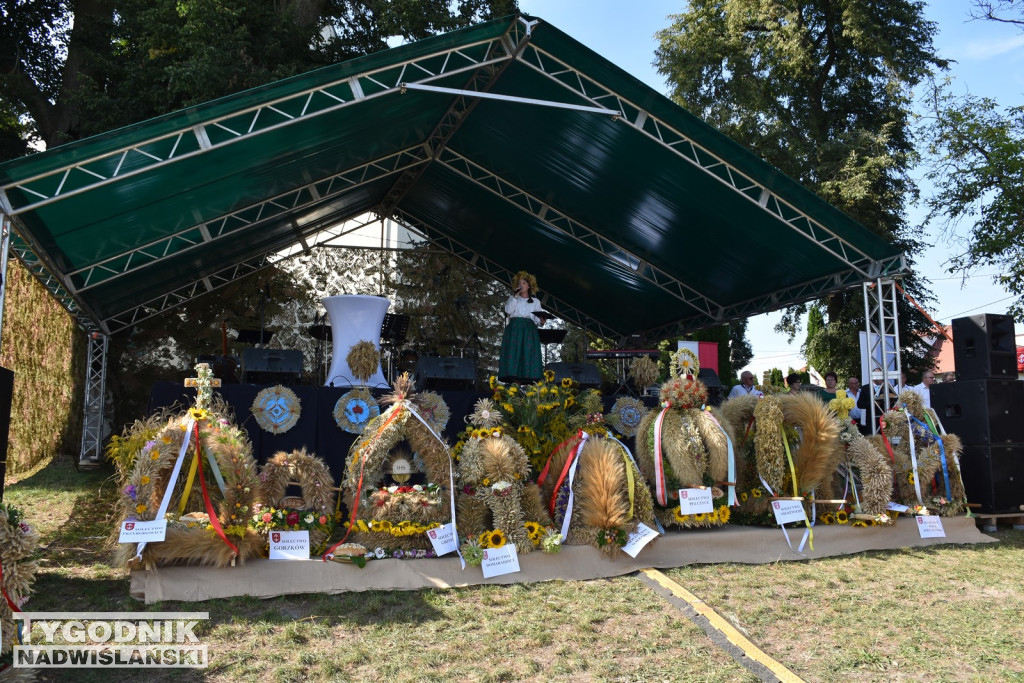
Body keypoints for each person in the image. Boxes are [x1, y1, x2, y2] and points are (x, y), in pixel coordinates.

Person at [498, 271, 544, 383]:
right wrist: (514, 297)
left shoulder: (535, 301)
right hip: (514, 329)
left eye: (523, 282)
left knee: (527, 354)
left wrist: (542, 321)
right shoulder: (513, 298)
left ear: (529, 286)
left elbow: (538, 320)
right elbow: (508, 311)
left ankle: (528, 381)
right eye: (519, 283)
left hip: (528, 330)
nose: (521, 285)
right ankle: (512, 380)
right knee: (514, 354)